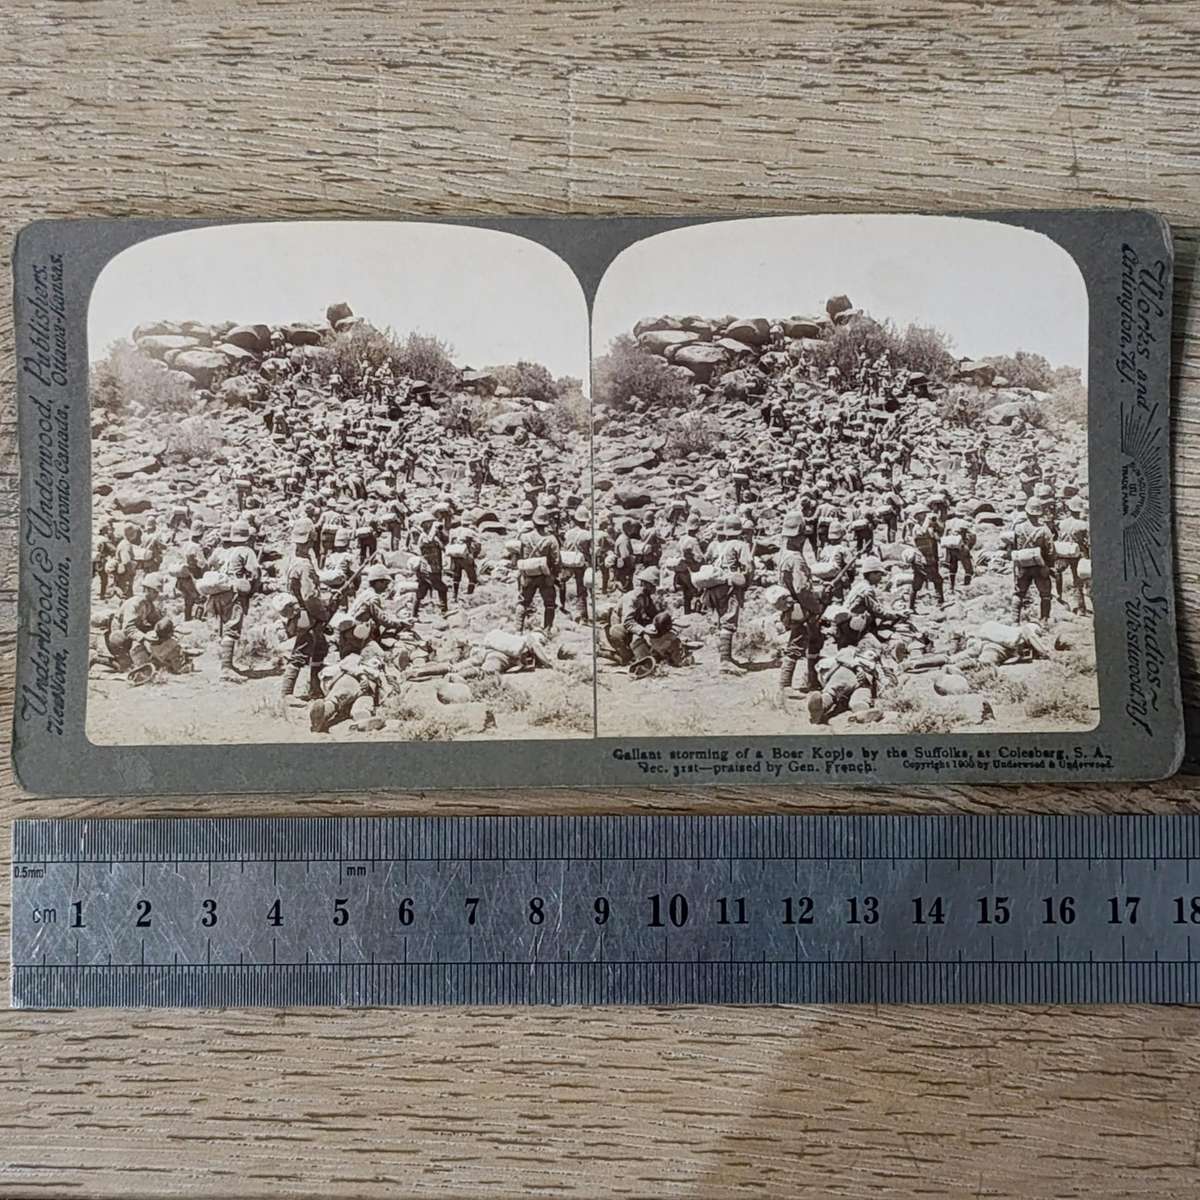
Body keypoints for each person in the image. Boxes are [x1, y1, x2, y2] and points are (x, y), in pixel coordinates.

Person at [776, 512, 828, 696]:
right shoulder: (796, 559)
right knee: (797, 643)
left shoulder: (784, 555)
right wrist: (816, 607)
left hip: (793, 606)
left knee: (814, 640)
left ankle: (812, 681)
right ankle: (785, 685)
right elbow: (802, 589)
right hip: (801, 607)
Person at [281, 517, 329, 702]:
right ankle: (287, 694)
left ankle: (315, 690)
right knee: (301, 651)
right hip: (306, 614)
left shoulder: (293, 560)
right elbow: (309, 596)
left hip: (300, 613)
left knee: (319, 648)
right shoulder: (304, 565)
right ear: (311, 539)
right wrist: (323, 614)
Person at [106, 574, 187, 678]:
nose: (157, 595)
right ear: (148, 590)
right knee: (126, 667)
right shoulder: (135, 604)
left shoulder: (148, 604)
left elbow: (157, 621)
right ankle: (99, 659)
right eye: (156, 592)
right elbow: (128, 628)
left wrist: (170, 628)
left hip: (135, 631)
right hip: (120, 635)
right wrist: (144, 638)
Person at [209, 518, 259, 682]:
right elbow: (255, 572)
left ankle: (226, 664)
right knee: (232, 628)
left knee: (224, 629)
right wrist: (253, 588)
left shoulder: (225, 550)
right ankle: (226, 669)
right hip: (234, 594)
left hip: (220, 592)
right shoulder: (246, 551)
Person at [705, 514, 753, 675]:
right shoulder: (741, 545)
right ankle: (725, 661)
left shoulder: (715, 545)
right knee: (729, 621)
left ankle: (725, 657)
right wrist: (746, 583)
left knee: (721, 621)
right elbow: (749, 566)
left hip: (714, 586)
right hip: (730, 586)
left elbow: (707, 561)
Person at [1011, 497, 1056, 623]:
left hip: (1022, 566)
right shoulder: (1044, 530)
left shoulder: (1018, 528)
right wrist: (1049, 565)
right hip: (1039, 567)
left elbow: (1013, 546)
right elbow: (1051, 550)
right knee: (1045, 595)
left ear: (1027, 512)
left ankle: (1015, 621)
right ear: (1040, 513)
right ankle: (1044, 621)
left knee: (1019, 593)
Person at [517, 507, 560, 633]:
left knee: (523, 602)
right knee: (549, 603)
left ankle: (518, 630)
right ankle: (546, 630)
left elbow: (518, 555)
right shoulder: (551, 539)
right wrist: (554, 575)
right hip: (544, 576)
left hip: (528, 574)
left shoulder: (524, 537)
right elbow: (557, 560)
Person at [411, 510, 450, 621]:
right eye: (430, 523)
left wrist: (441, 531)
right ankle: (444, 611)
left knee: (422, 591)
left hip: (434, 568)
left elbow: (446, 542)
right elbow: (428, 541)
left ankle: (413, 614)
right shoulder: (423, 536)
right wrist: (434, 530)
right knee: (442, 588)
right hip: (427, 568)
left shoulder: (435, 536)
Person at [1054, 497, 1090, 615]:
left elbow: (1059, 538)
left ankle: (1058, 597)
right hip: (1077, 554)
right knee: (1077, 581)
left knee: (1058, 572)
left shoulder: (1062, 523)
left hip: (1063, 553)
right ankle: (1081, 608)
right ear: (1080, 510)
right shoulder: (1084, 525)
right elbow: (1088, 542)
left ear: (1069, 509)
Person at [561, 505, 592, 622]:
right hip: (581, 564)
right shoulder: (587, 535)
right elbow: (590, 552)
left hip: (568, 562)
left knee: (562, 583)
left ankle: (563, 607)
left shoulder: (568, 533)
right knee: (581, 590)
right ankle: (583, 616)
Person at [447, 512, 483, 602]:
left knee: (456, 576)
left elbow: (450, 543)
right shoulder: (471, 532)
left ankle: (454, 596)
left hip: (455, 556)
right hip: (466, 556)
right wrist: (474, 554)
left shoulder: (454, 531)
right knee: (472, 577)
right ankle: (469, 597)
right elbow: (478, 544)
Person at [941, 510, 977, 592]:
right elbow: (973, 535)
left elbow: (944, 535)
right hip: (961, 547)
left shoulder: (948, 522)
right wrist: (969, 546)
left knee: (952, 567)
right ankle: (966, 587)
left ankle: (952, 587)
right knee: (968, 569)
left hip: (950, 547)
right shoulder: (965, 523)